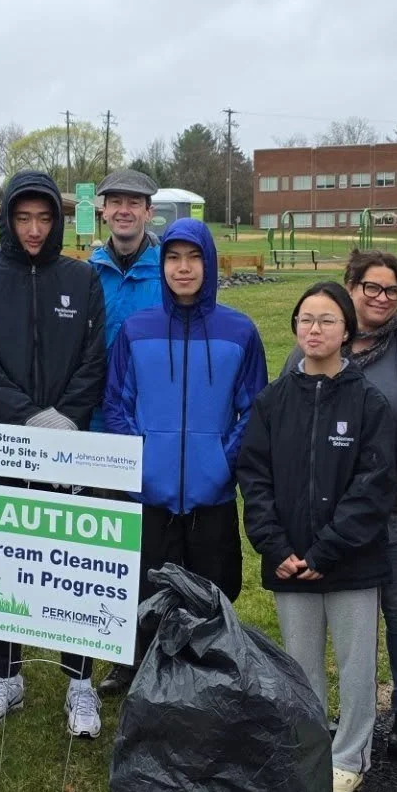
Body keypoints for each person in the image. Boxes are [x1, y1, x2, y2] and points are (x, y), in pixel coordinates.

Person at [0, 170, 108, 736]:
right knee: (3, 560)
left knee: (72, 562)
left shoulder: (82, 279)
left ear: (59, 220)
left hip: (70, 442)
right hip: (4, 444)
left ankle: (80, 684)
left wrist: (66, 416)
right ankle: (6, 675)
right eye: (24, 218)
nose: (35, 229)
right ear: (8, 219)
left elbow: (95, 357)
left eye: (45, 218)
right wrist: (29, 416)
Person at [237, 281, 395, 792]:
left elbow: (372, 487)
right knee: (300, 664)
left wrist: (327, 549)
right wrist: (275, 548)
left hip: (349, 561)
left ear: (347, 330)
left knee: (354, 665)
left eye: (327, 320)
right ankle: (307, 748)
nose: (315, 329)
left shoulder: (369, 402)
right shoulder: (272, 402)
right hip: (288, 563)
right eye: (306, 319)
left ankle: (349, 754)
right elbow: (253, 478)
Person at [280, 249, 397, 757]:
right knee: (344, 615)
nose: (380, 298)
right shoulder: (313, 345)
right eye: (370, 287)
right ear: (350, 287)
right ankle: (330, 719)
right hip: (332, 514)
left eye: (391, 290)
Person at [99, 218, 267, 694]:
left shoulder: (240, 331)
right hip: (149, 492)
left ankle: (207, 666)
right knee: (144, 584)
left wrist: (220, 464)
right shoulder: (136, 329)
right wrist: (142, 460)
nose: (183, 267)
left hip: (209, 494)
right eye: (173, 257)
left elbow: (254, 407)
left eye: (193, 257)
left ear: (208, 262)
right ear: (162, 265)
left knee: (214, 585)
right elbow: (115, 403)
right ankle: (135, 666)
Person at [89, 168, 162, 356]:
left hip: (149, 382)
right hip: (99, 383)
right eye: (115, 202)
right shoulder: (89, 274)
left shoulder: (167, 272)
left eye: (134, 203)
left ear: (148, 212)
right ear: (104, 211)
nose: (124, 211)